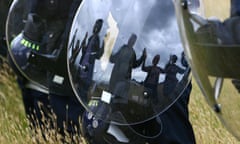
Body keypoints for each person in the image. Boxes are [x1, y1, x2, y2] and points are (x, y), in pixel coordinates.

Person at [109, 34, 146, 104]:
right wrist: (108, 46)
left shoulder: (133, 53)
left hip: (125, 81)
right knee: (111, 100)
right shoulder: (122, 48)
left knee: (121, 102)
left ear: (134, 42)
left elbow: (135, 64)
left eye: (133, 40)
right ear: (129, 39)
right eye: (131, 38)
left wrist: (143, 57)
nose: (131, 41)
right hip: (116, 79)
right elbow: (113, 59)